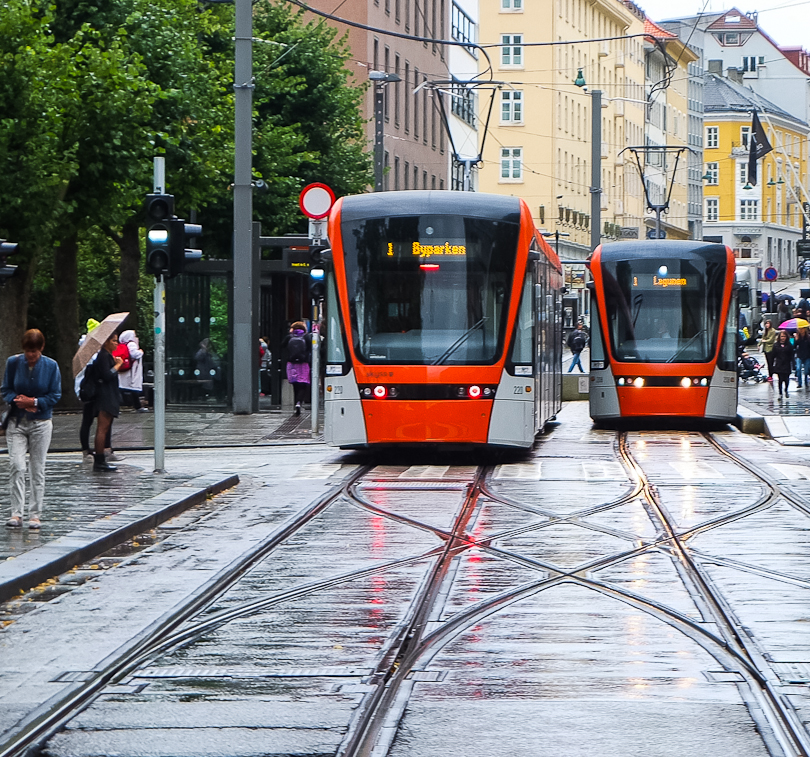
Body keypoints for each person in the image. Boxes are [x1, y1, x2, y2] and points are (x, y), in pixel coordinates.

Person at [1, 329, 61, 529]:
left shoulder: (51, 366)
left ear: (41, 348)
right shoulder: (13, 363)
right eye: (28, 351)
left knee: (37, 468)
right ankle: (16, 512)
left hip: (41, 422)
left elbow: (55, 394)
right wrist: (17, 400)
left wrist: (35, 402)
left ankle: (35, 514)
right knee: (17, 466)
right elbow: (6, 389)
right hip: (17, 422)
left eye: (34, 351)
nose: (30, 355)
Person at [92, 333, 124, 472]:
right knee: (102, 428)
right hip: (105, 397)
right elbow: (106, 375)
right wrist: (118, 365)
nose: (116, 343)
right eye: (114, 341)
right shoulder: (103, 356)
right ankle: (99, 459)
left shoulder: (107, 355)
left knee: (104, 428)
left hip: (109, 395)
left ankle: (101, 459)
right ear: (106, 342)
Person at [283, 321, 311, 414]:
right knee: (303, 384)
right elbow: (311, 348)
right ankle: (299, 402)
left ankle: (296, 404)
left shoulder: (289, 337)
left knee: (295, 384)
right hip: (303, 364)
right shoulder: (306, 337)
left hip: (292, 364)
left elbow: (282, 346)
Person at [117, 330, 146, 411]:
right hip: (132, 370)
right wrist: (141, 352)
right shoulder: (132, 344)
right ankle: (137, 406)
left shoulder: (124, 345)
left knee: (121, 387)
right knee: (133, 388)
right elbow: (134, 354)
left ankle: (135, 406)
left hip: (125, 370)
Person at [772, 329, 795, 400]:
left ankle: (786, 389)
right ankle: (780, 392)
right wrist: (772, 365)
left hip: (787, 363)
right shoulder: (776, 345)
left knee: (786, 378)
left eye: (784, 336)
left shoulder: (789, 345)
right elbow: (773, 355)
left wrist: (793, 364)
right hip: (779, 364)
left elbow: (792, 355)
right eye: (782, 336)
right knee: (780, 379)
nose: (783, 338)